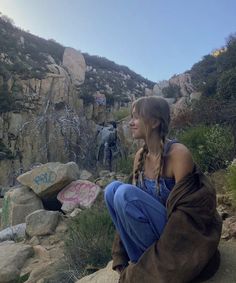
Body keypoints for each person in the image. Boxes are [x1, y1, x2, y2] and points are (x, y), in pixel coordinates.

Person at [104, 96, 222, 283]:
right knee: (111, 190)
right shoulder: (139, 157)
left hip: (177, 239)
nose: (130, 123)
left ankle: (149, 268)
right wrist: (120, 253)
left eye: (135, 117)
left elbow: (188, 214)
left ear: (155, 122)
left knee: (124, 194)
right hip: (151, 237)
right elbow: (128, 215)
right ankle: (139, 262)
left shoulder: (178, 154)